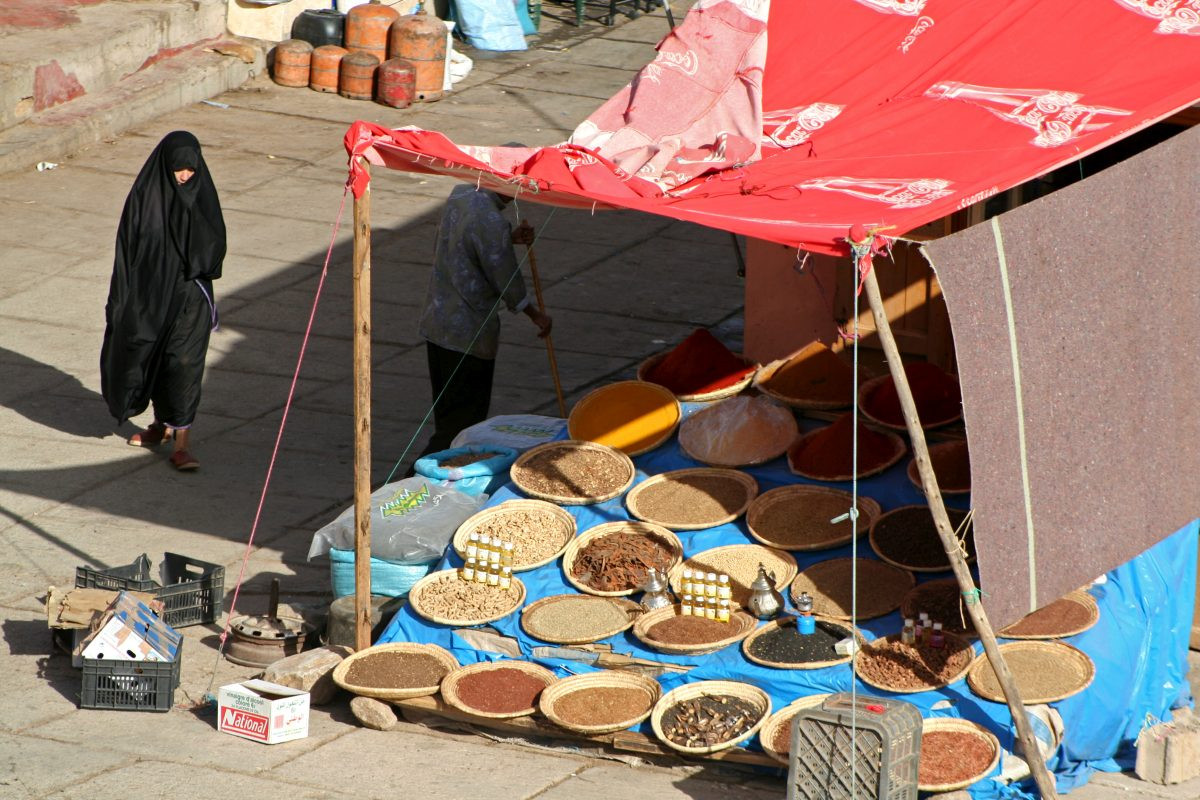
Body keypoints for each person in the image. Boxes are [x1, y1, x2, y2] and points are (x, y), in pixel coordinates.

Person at [100, 130, 225, 471]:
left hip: (190, 297)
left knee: (183, 364)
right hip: (150, 295)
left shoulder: (201, 197)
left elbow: (214, 250)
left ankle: (182, 443)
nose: (185, 176)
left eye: (191, 170)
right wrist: (121, 299)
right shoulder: (144, 197)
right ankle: (159, 426)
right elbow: (127, 252)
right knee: (150, 356)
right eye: (178, 170)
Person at [416, 183, 552, 459]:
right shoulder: (491, 220)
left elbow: (467, 240)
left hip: (437, 323)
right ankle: (411, 481)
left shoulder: (460, 194)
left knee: (446, 415)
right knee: (461, 423)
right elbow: (504, 277)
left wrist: (507, 238)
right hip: (467, 334)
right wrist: (534, 314)